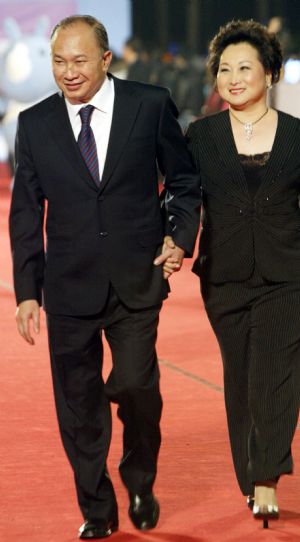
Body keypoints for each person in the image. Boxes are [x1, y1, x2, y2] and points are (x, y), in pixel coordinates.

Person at [9, 15, 201, 539]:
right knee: (78, 405)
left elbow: (182, 179)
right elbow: (25, 213)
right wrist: (27, 292)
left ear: (105, 59)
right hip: (68, 286)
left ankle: (139, 477)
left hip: (136, 277)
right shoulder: (36, 124)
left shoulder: (149, 103)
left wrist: (178, 236)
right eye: (58, 62)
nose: (68, 72)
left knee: (138, 385)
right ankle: (97, 508)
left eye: (79, 60)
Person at [180, 19, 300, 528]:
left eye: (244, 67)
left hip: (287, 273)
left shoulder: (297, 135)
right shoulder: (201, 136)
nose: (233, 77)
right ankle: (248, 472)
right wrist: (173, 242)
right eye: (224, 68)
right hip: (224, 276)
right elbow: (182, 199)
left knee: (276, 375)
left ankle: (267, 478)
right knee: (242, 378)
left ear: (269, 73)